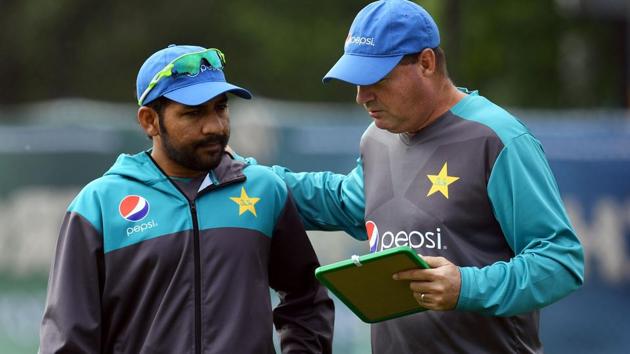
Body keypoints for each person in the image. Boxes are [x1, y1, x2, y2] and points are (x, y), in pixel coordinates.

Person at [246, 1, 585, 353]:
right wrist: (246, 175)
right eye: (356, 82)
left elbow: (561, 260)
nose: (362, 97)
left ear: (426, 63)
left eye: (376, 79)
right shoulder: (376, 137)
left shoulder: (497, 138)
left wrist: (467, 287)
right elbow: (348, 203)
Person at [39, 45, 334, 354]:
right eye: (193, 113)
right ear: (149, 121)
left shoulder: (264, 189)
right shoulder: (97, 206)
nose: (215, 127)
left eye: (220, 107)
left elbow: (306, 300)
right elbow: (67, 340)